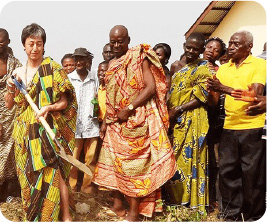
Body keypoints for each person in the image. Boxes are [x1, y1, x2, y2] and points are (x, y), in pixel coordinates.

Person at [93, 25, 176, 221]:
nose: (115, 45)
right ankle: (117, 205)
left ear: (128, 40)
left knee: (133, 169)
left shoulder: (139, 57)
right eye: (112, 42)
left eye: (119, 41)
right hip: (114, 123)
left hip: (135, 120)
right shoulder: (112, 64)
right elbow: (111, 97)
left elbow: (150, 88)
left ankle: (133, 213)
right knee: (112, 164)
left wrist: (128, 109)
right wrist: (106, 121)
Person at [4, 23, 77, 222]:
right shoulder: (18, 73)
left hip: (48, 130)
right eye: (31, 44)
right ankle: (35, 214)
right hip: (24, 134)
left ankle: (61, 215)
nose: (35, 48)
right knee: (28, 176)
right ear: (24, 47)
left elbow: (65, 101)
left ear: (44, 46)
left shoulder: (53, 69)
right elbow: (9, 105)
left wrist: (49, 108)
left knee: (54, 173)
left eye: (39, 44)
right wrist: (11, 88)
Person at [207, 30, 266, 221]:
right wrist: (210, 91)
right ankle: (231, 214)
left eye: (236, 44)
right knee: (228, 172)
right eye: (230, 43)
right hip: (229, 126)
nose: (230, 47)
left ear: (249, 47)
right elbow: (214, 101)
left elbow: (254, 96)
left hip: (252, 126)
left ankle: (251, 215)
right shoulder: (224, 69)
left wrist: (223, 88)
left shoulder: (259, 64)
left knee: (251, 174)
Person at [166, 32, 213, 213]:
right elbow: (171, 91)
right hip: (174, 120)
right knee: (175, 159)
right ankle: (177, 199)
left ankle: (192, 203)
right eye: (188, 47)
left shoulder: (204, 68)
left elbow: (204, 96)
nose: (191, 51)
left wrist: (178, 109)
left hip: (194, 118)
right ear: (184, 45)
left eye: (196, 49)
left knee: (193, 158)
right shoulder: (176, 66)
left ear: (202, 50)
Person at [68, 47, 99, 194]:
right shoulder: (69, 78)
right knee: (73, 159)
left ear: (87, 60)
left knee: (91, 159)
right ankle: (72, 188)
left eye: (82, 59)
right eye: (76, 59)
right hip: (74, 126)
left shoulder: (95, 77)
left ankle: (87, 188)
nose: (79, 62)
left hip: (92, 125)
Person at [203, 37, 226, 210]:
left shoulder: (219, 72)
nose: (211, 50)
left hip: (212, 122)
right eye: (209, 47)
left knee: (213, 162)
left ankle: (213, 198)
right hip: (188, 121)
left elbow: (213, 101)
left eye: (216, 49)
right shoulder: (190, 66)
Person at [0, 28, 22, 201]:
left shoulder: (15, 64)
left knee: (11, 150)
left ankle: (8, 191)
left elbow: (23, 85)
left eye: (2, 41)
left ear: (8, 41)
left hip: (11, 110)